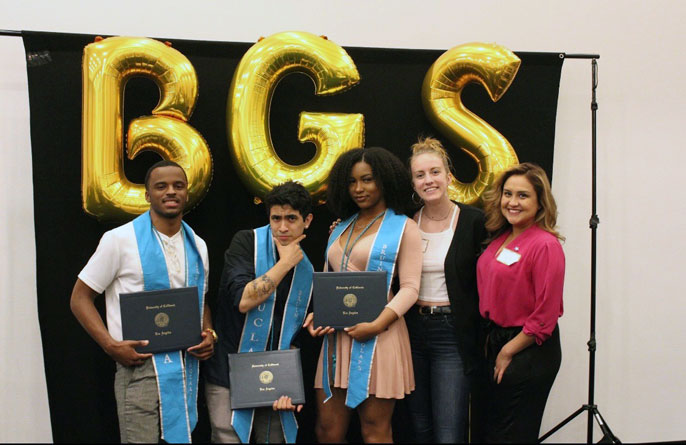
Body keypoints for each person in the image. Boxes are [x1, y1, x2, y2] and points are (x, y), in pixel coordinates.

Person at [70, 160, 215, 443]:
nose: (171, 192)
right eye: (161, 186)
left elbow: (202, 299)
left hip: (185, 366)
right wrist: (110, 346)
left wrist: (209, 332)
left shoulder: (198, 245)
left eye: (178, 186)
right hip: (139, 364)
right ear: (148, 194)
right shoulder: (119, 240)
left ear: (187, 193)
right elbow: (80, 298)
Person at [304, 147, 422, 443]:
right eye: (352, 182)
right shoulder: (340, 227)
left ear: (384, 181)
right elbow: (332, 282)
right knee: (327, 431)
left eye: (367, 180)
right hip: (337, 340)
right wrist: (318, 313)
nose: (359, 188)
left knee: (374, 430)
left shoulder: (403, 227)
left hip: (379, 336)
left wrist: (377, 324)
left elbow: (410, 288)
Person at [203, 181, 314, 443]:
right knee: (226, 437)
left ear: (307, 221)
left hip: (275, 378)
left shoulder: (308, 269)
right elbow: (244, 300)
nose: (283, 227)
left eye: (291, 218)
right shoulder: (246, 242)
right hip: (229, 370)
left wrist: (292, 387)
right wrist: (285, 262)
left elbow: (295, 329)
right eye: (276, 218)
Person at [404, 137, 487, 443]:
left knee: (449, 431)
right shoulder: (406, 222)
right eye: (421, 175)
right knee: (419, 424)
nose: (429, 180)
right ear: (413, 183)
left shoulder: (473, 221)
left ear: (449, 176)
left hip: (452, 333)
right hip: (411, 331)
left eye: (435, 172)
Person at [476, 162, 565, 443]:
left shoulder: (545, 245)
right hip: (499, 340)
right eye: (508, 193)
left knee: (512, 433)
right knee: (495, 430)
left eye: (523, 195)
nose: (512, 202)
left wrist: (506, 352)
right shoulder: (499, 239)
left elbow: (545, 316)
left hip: (527, 349)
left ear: (540, 202)